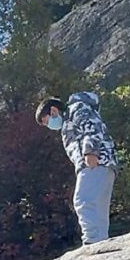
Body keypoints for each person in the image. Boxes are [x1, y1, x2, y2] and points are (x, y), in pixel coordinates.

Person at [36, 92, 119, 244]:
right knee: (98, 206)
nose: (49, 126)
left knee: (83, 200)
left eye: (46, 121)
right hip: (105, 163)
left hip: (95, 161)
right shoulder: (70, 119)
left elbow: (91, 127)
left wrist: (90, 152)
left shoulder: (76, 108)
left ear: (53, 111)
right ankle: (101, 241)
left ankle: (92, 241)